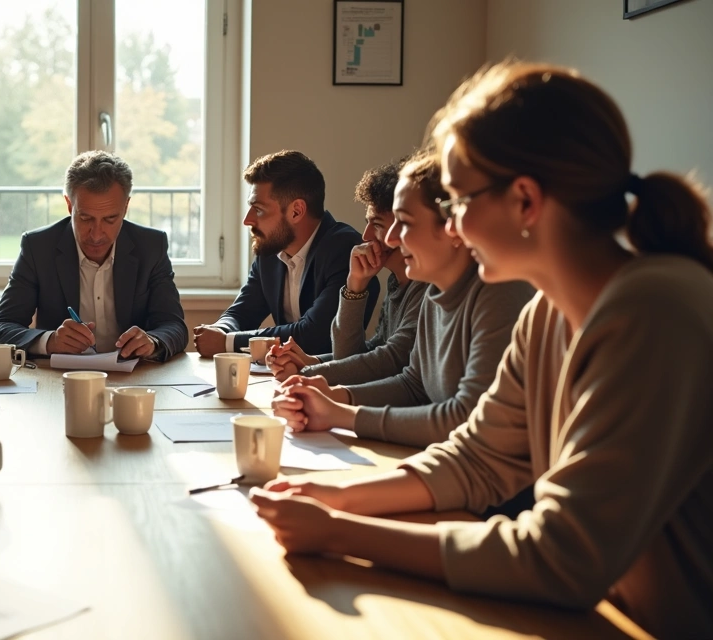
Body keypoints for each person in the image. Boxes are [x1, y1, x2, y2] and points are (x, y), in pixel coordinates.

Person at [251, 62, 713, 638]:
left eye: (460, 201)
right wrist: (338, 498)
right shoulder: (546, 314)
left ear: (525, 201)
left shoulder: (654, 310)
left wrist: (341, 533)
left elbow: (562, 556)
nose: (454, 225)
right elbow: (478, 458)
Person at [270, 151, 535, 448]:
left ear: (452, 226)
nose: (388, 238)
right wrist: (334, 395)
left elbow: (466, 420)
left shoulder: (500, 292)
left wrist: (340, 410)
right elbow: (413, 383)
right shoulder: (436, 291)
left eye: (403, 222)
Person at [0, 150, 187, 360]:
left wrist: (152, 342)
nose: (97, 234)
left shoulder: (151, 246)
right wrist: (50, 341)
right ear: (69, 205)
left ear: (126, 207)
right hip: (60, 381)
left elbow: (174, 326)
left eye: (110, 219)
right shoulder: (38, 248)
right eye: (85, 218)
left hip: (133, 377)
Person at [194, 150, 378, 358]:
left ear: (296, 211)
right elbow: (243, 311)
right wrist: (220, 330)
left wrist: (227, 342)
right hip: (284, 376)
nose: (248, 220)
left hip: (332, 382)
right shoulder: (271, 251)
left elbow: (316, 336)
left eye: (259, 209)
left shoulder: (344, 250)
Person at [267, 159, 429, 384]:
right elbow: (363, 353)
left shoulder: (426, 289)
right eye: (368, 223)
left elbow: (391, 360)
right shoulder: (397, 283)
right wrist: (355, 285)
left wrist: (305, 374)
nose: (366, 236)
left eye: (378, 225)